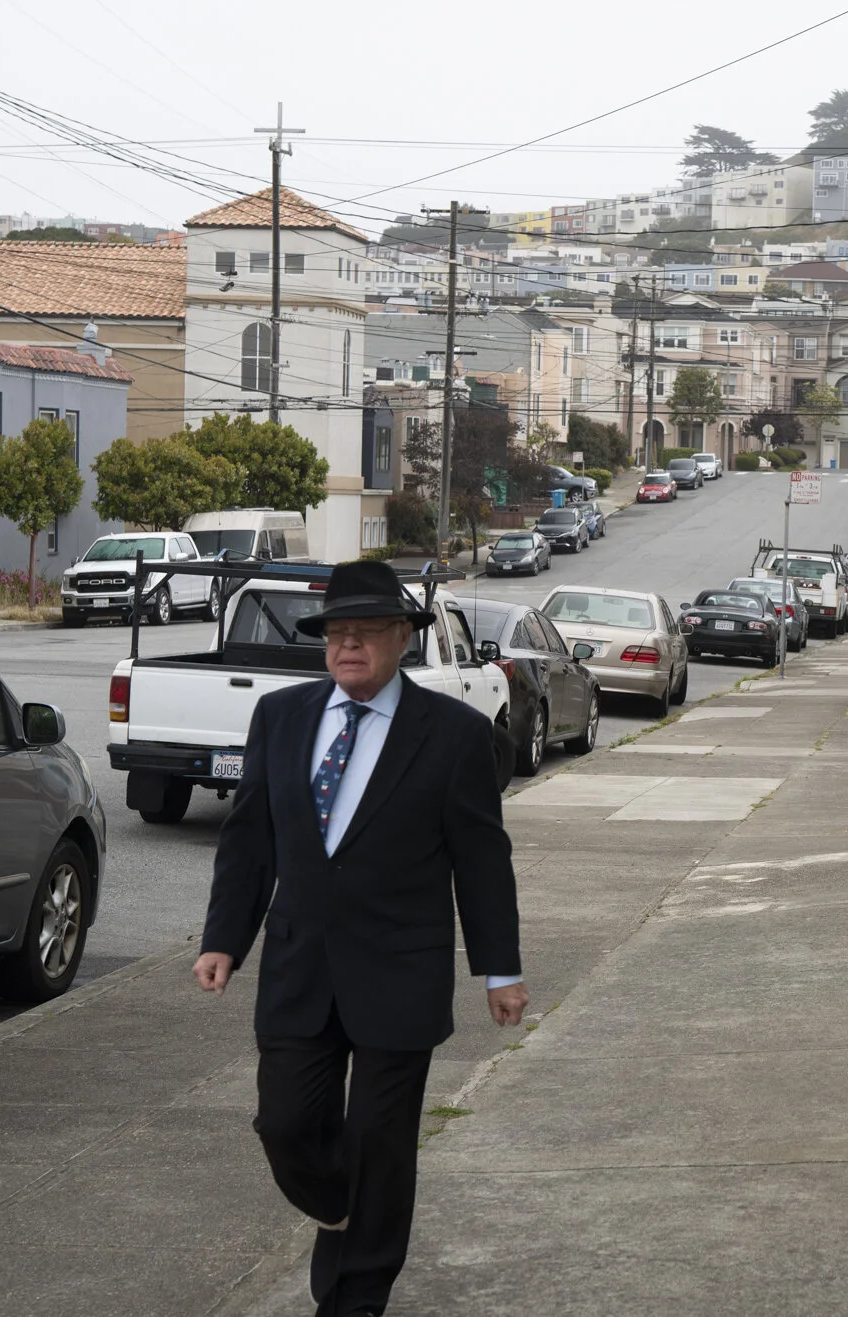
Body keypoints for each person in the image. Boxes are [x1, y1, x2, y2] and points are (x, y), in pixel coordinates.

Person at [194, 560, 526, 1317]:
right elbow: (249, 842)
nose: (346, 646)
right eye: (335, 633)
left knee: (380, 1139)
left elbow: (481, 860)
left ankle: (356, 1296)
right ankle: (345, 1206)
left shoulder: (454, 737)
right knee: (284, 1123)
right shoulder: (280, 719)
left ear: (402, 640)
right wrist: (224, 939)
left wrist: (498, 969)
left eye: (365, 633)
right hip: (298, 967)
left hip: (399, 974)